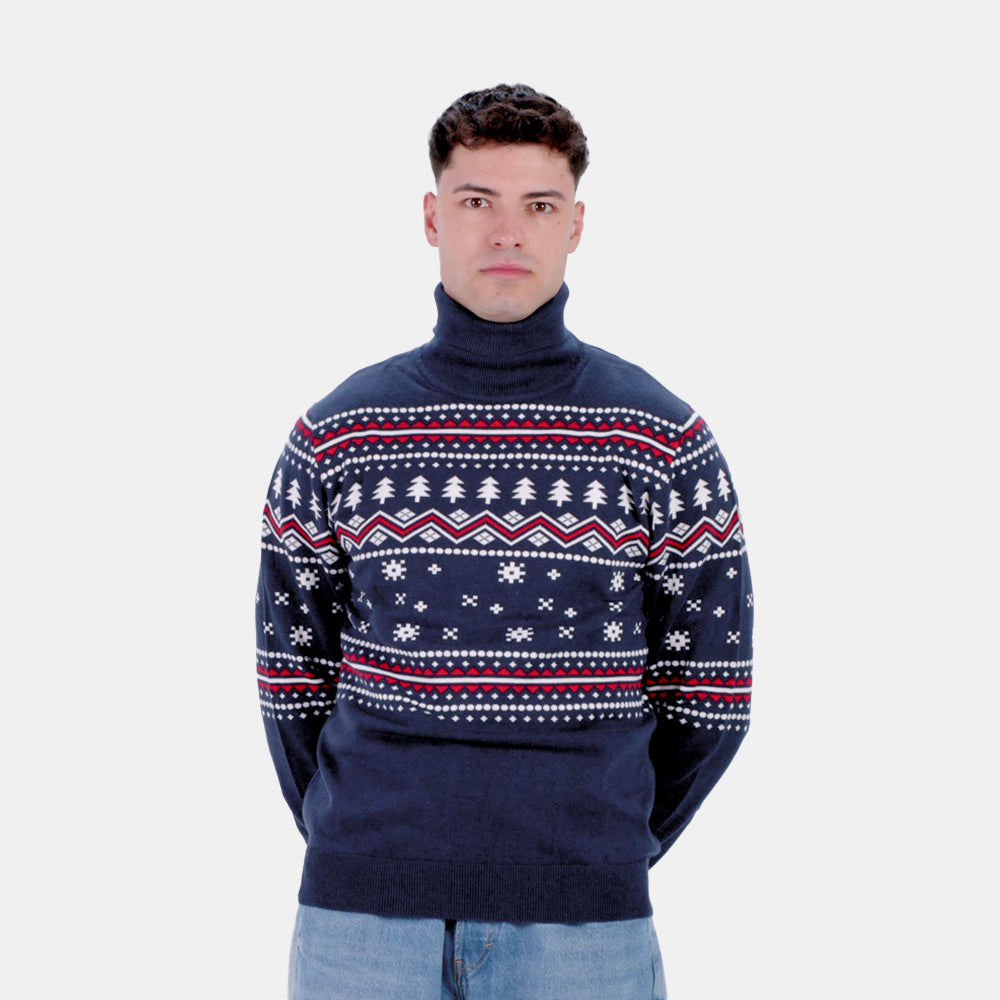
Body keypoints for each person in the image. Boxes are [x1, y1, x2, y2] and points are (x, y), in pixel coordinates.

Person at [256, 83, 753, 1000]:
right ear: (431, 217)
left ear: (577, 225)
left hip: (584, 928)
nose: (508, 233)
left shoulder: (660, 439)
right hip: (361, 925)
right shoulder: (337, 434)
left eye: (540, 206)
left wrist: (604, 843)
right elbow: (292, 677)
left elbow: (712, 695)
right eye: (478, 201)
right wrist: (357, 835)